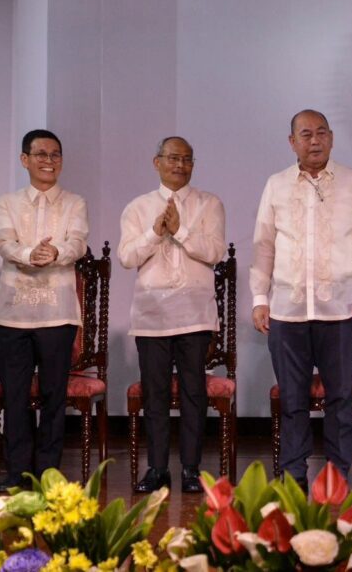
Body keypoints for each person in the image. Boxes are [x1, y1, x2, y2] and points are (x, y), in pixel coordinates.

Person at [251, 109, 352, 486]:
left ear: (331, 138)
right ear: (292, 142)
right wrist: (260, 298)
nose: (314, 140)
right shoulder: (276, 185)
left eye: (321, 133)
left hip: (340, 309)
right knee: (293, 402)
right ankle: (294, 479)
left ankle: (338, 478)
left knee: (340, 400)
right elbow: (263, 246)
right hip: (287, 311)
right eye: (306, 134)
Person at [119, 137, 225, 493]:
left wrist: (180, 230)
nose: (180, 165)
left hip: (195, 314)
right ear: (157, 162)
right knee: (156, 394)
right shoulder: (137, 207)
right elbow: (127, 258)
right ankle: (158, 468)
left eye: (187, 159)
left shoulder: (209, 204)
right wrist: (155, 232)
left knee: (195, 392)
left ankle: (192, 470)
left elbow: (215, 253)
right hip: (152, 316)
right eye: (173, 158)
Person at [0, 129, 89, 492]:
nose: (49, 161)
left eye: (56, 155)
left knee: (53, 397)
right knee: (15, 396)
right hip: (12, 313)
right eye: (41, 154)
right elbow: (4, 241)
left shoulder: (75, 202)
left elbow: (77, 241)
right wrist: (29, 254)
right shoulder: (7, 202)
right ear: (25, 160)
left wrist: (56, 253)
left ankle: (48, 473)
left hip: (58, 313)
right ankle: (17, 473)